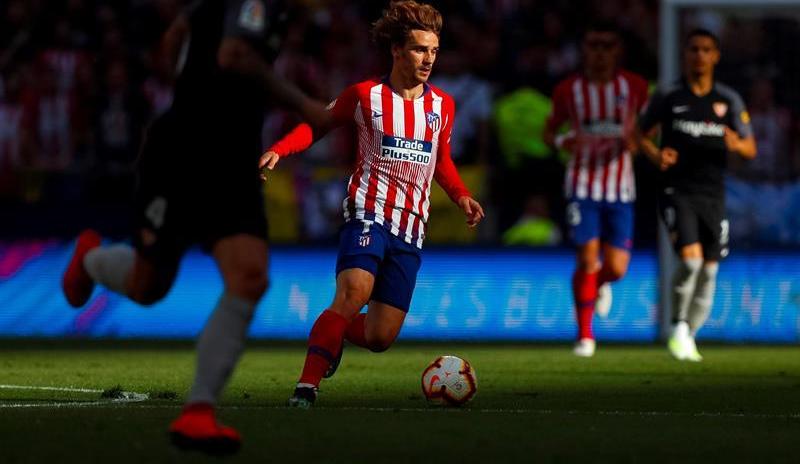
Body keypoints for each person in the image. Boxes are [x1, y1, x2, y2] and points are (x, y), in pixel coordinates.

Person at [61, 0, 326, 455]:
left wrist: (188, 84)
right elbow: (235, 54)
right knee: (147, 286)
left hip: (231, 158)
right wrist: (304, 105)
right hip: (185, 152)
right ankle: (89, 260)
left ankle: (198, 413)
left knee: (248, 276)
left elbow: (176, 35)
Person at [259, 0, 484, 408]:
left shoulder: (443, 106)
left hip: (411, 226)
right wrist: (281, 149)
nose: (428, 59)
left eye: (434, 51)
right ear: (397, 50)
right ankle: (305, 389)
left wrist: (461, 195)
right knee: (352, 294)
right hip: (368, 211)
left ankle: (333, 334)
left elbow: (441, 161)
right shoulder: (366, 95)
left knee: (380, 336)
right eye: (419, 49)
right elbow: (319, 124)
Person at [637, 29, 756, 361]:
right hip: (676, 190)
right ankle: (677, 325)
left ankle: (689, 332)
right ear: (685, 55)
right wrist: (655, 154)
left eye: (706, 50)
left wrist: (737, 144)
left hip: (714, 194)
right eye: (693, 49)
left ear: (715, 56)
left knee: (710, 269)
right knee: (690, 260)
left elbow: (751, 147)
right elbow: (639, 134)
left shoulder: (728, 100)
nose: (699, 55)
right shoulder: (668, 95)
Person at [543, 22, 648, 357]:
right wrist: (562, 141)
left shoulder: (635, 87)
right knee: (587, 258)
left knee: (616, 268)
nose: (600, 52)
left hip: (621, 189)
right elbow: (549, 132)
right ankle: (585, 336)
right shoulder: (568, 90)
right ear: (584, 50)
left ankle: (599, 284)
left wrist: (638, 142)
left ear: (618, 51)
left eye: (607, 45)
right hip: (582, 185)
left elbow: (647, 129)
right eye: (594, 45)